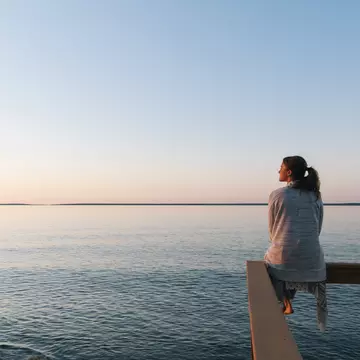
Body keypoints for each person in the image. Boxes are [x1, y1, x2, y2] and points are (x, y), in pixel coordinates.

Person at [264, 155, 327, 331]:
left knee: (273, 261)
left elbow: (272, 229)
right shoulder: (315, 196)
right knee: (291, 258)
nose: (278, 170)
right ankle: (287, 300)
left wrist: (279, 241)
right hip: (313, 260)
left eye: (281, 167)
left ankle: (284, 301)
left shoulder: (277, 195)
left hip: (285, 259)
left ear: (289, 172)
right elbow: (318, 228)